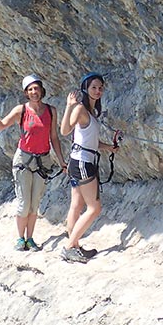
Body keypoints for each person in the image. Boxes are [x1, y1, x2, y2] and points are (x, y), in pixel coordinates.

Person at [0, 74, 66, 251]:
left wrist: (61, 161)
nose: (34, 92)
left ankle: (30, 238)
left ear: (41, 90)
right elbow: (1, 125)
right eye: (30, 89)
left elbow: (54, 137)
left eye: (36, 88)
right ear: (26, 93)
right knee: (24, 204)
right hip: (23, 160)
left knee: (35, 202)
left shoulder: (51, 111)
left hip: (42, 161)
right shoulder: (21, 110)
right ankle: (21, 238)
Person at [59, 72, 121, 263]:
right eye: (94, 87)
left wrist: (108, 147)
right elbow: (64, 131)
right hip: (83, 163)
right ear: (85, 88)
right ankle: (70, 246)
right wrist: (69, 107)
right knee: (94, 208)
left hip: (80, 159)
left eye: (100, 87)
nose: (98, 91)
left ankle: (75, 246)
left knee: (77, 205)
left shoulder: (92, 113)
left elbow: (89, 141)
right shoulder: (80, 109)